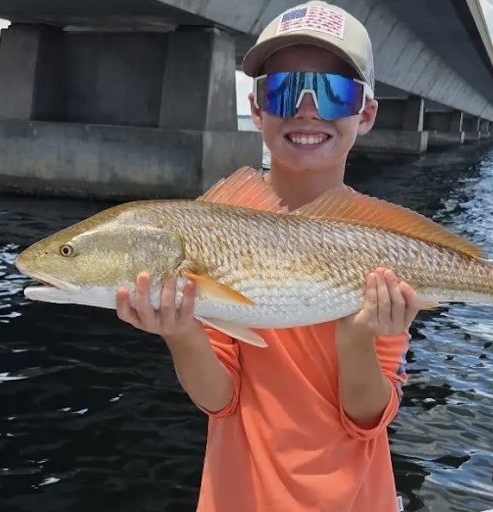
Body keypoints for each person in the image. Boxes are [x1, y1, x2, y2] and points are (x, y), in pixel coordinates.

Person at [116, 2, 420, 510]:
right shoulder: (215, 223)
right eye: (283, 89)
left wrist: (358, 337)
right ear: (257, 108)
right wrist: (181, 333)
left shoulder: (382, 242)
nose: (307, 109)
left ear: (365, 114)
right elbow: (219, 399)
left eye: (333, 91)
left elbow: (369, 416)